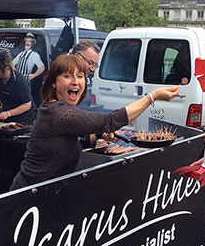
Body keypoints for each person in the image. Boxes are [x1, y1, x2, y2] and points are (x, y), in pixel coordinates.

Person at [11, 54, 179, 189]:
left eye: (80, 76)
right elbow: (110, 120)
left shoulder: (60, 110)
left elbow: (77, 141)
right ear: (53, 83)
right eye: (67, 76)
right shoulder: (57, 113)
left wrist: (98, 134)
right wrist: (153, 97)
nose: (75, 81)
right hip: (27, 194)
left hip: (46, 193)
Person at [0, 50, 36, 124]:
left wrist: (8, 113)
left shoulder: (19, 80)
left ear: (6, 68)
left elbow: (27, 105)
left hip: (23, 118)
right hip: (6, 115)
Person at [13, 33, 45, 107]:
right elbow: (12, 63)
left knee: (25, 99)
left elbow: (42, 67)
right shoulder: (20, 54)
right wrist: (15, 72)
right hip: (17, 80)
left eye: (30, 41)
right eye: (27, 41)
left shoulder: (34, 55)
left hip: (26, 81)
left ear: (32, 43)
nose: (27, 43)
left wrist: (34, 75)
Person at [69, 40, 100, 110]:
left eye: (95, 65)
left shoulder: (82, 80)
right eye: (90, 63)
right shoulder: (63, 81)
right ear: (76, 57)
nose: (93, 69)